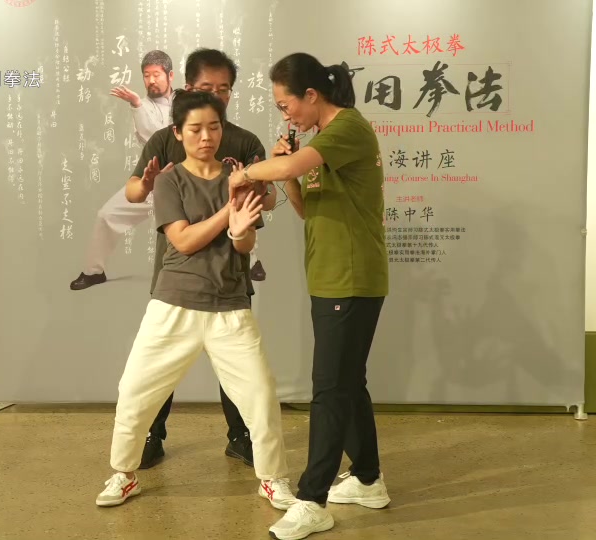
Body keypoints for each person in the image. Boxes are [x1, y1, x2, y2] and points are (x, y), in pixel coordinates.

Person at [95, 89, 295, 511]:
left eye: (214, 127)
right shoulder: (169, 180)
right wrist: (228, 211)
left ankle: (273, 478)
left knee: (260, 397)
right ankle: (124, 475)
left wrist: (240, 229)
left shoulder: (239, 176)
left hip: (230, 305)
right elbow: (183, 240)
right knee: (135, 392)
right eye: (196, 129)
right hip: (174, 304)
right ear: (178, 133)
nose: (206, 137)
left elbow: (244, 244)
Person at [227, 53, 391, 540]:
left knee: (329, 389)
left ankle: (312, 499)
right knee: (348, 383)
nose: (286, 115)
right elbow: (305, 208)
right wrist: (287, 174)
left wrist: (248, 173)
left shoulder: (347, 129)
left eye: (286, 105)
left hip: (352, 277)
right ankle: (368, 479)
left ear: (312, 96)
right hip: (331, 277)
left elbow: (289, 165)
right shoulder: (323, 142)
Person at [124, 48, 277, 470]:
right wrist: (148, 183)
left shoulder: (244, 141)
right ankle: (152, 436)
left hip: (229, 272)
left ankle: (241, 437)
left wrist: (258, 187)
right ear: (187, 88)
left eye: (224, 89)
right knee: (160, 366)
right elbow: (134, 190)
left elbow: (269, 198)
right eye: (207, 88)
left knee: (238, 367)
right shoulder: (167, 138)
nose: (216, 96)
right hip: (177, 273)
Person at [70, 49, 175, 291]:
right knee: (107, 215)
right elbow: (154, 139)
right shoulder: (142, 105)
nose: (151, 80)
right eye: (146, 75)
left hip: (183, 180)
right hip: (150, 182)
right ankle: (94, 272)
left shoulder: (185, 101)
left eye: (156, 74)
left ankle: (250, 263)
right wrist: (136, 104)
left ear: (170, 75)